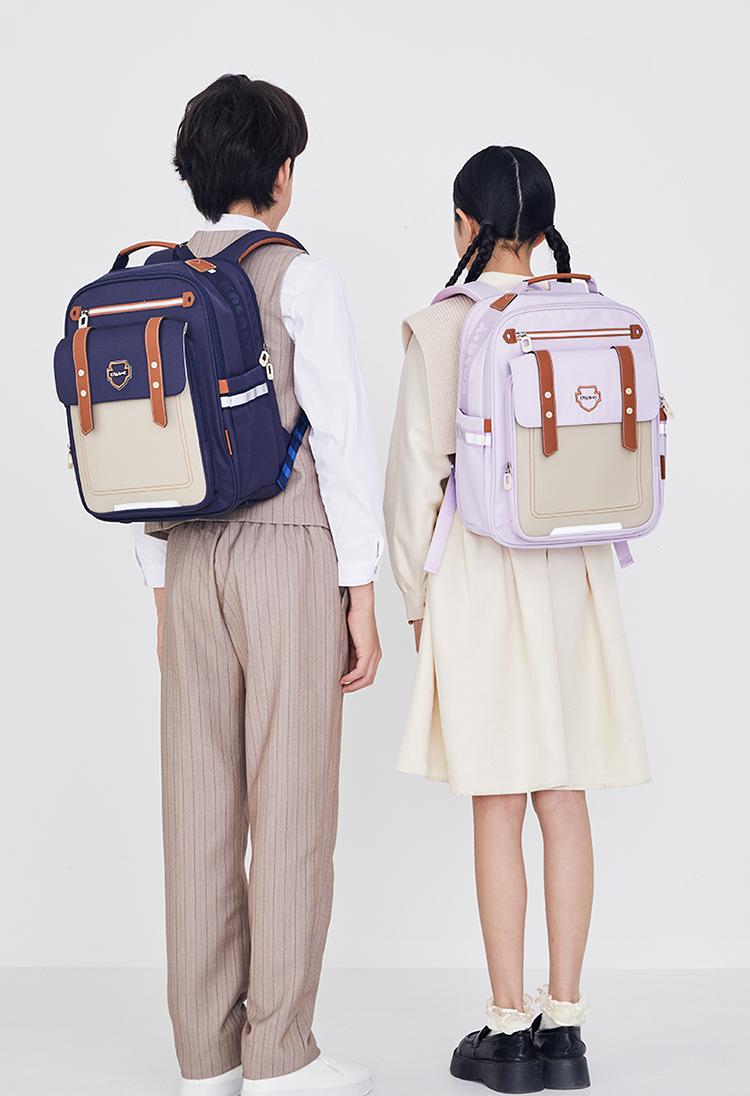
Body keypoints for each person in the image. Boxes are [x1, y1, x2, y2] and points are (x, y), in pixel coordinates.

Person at [133, 74, 382, 1096]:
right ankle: (281, 1055)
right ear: (281, 175)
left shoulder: (154, 281)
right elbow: (343, 440)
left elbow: (138, 454)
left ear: (196, 171)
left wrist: (160, 584)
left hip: (187, 555)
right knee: (292, 802)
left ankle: (206, 1059)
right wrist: (360, 589)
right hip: (286, 550)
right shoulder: (299, 277)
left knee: (197, 806)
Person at [384, 145, 650, 1093]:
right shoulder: (590, 315)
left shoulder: (442, 326)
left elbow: (414, 482)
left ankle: (506, 1029)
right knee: (564, 796)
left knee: (497, 799)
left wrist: (415, 602)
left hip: (483, 577)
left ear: (466, 223)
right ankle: (566, 1026)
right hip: (576, 574)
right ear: (543, 228)